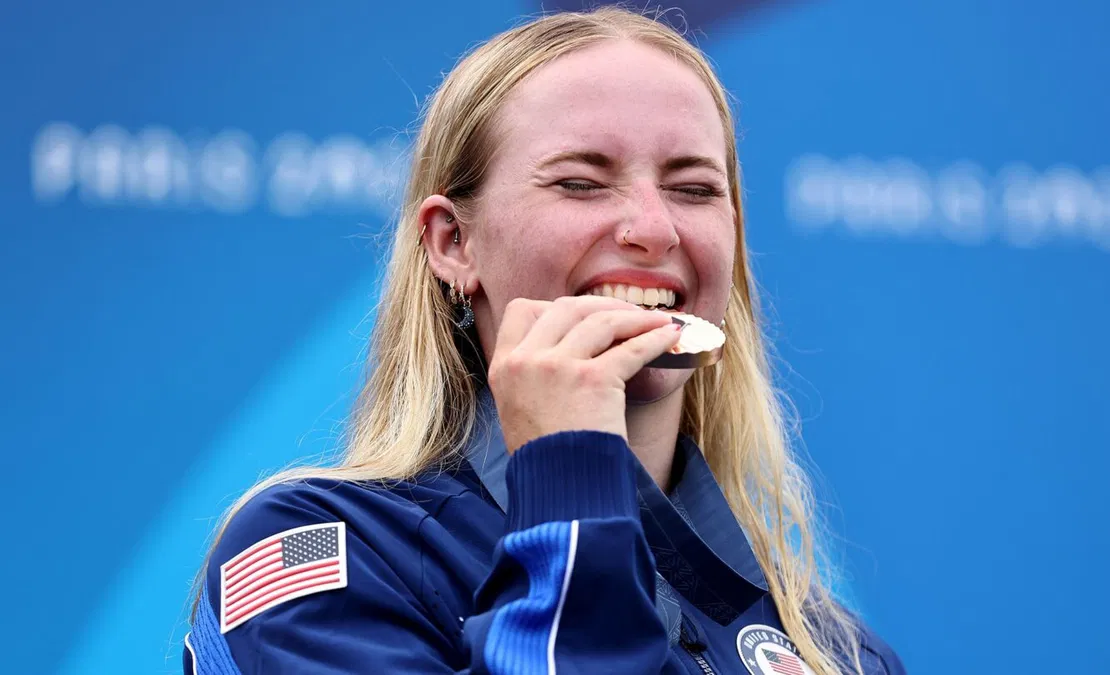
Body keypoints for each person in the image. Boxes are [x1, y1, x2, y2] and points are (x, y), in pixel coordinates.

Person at [182, 7, 906, 675]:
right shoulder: (322, 554)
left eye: (693, 189)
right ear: (453, 243)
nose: (654, 229)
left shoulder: (834, 647)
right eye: (581, 183)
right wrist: (569, 477)